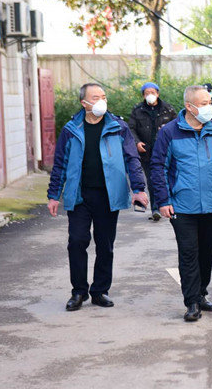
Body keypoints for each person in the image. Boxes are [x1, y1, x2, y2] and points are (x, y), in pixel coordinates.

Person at [47, 83, 148, 312]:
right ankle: (78, 291)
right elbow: (60, 163)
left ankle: (100, 290)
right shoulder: (71, 129)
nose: (101, 101)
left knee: (105, 245)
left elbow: (131, 158)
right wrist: (53, 195)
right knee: (76, 242)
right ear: (84, 103)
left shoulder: (118, 127)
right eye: (95, 97)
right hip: (79, 195)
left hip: (108, 196)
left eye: (103, 96)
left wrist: (139, 188)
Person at [150, 85, 212, 322]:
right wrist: (163, 200)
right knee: (189, 253)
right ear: (189, 107)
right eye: (203, 104)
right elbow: (158, 167)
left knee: (207, 253)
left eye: (209, 103)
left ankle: (201, 293)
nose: (209, 107)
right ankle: (191, 301)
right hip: (182, 205)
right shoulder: (170, 132)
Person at [127, 82, 177, 221]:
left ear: (158, 93)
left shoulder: (168, 109)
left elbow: (177, 126)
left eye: (152, 92)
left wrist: (167, 130)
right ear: (143, 95)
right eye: (147, 93)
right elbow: (131, 128)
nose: (150, 95)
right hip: (147, 152)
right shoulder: (138, 110)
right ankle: (156, 208)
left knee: (167, 179)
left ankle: (169, 204)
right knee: (152, 180)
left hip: (165, 151)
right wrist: (137, 142)